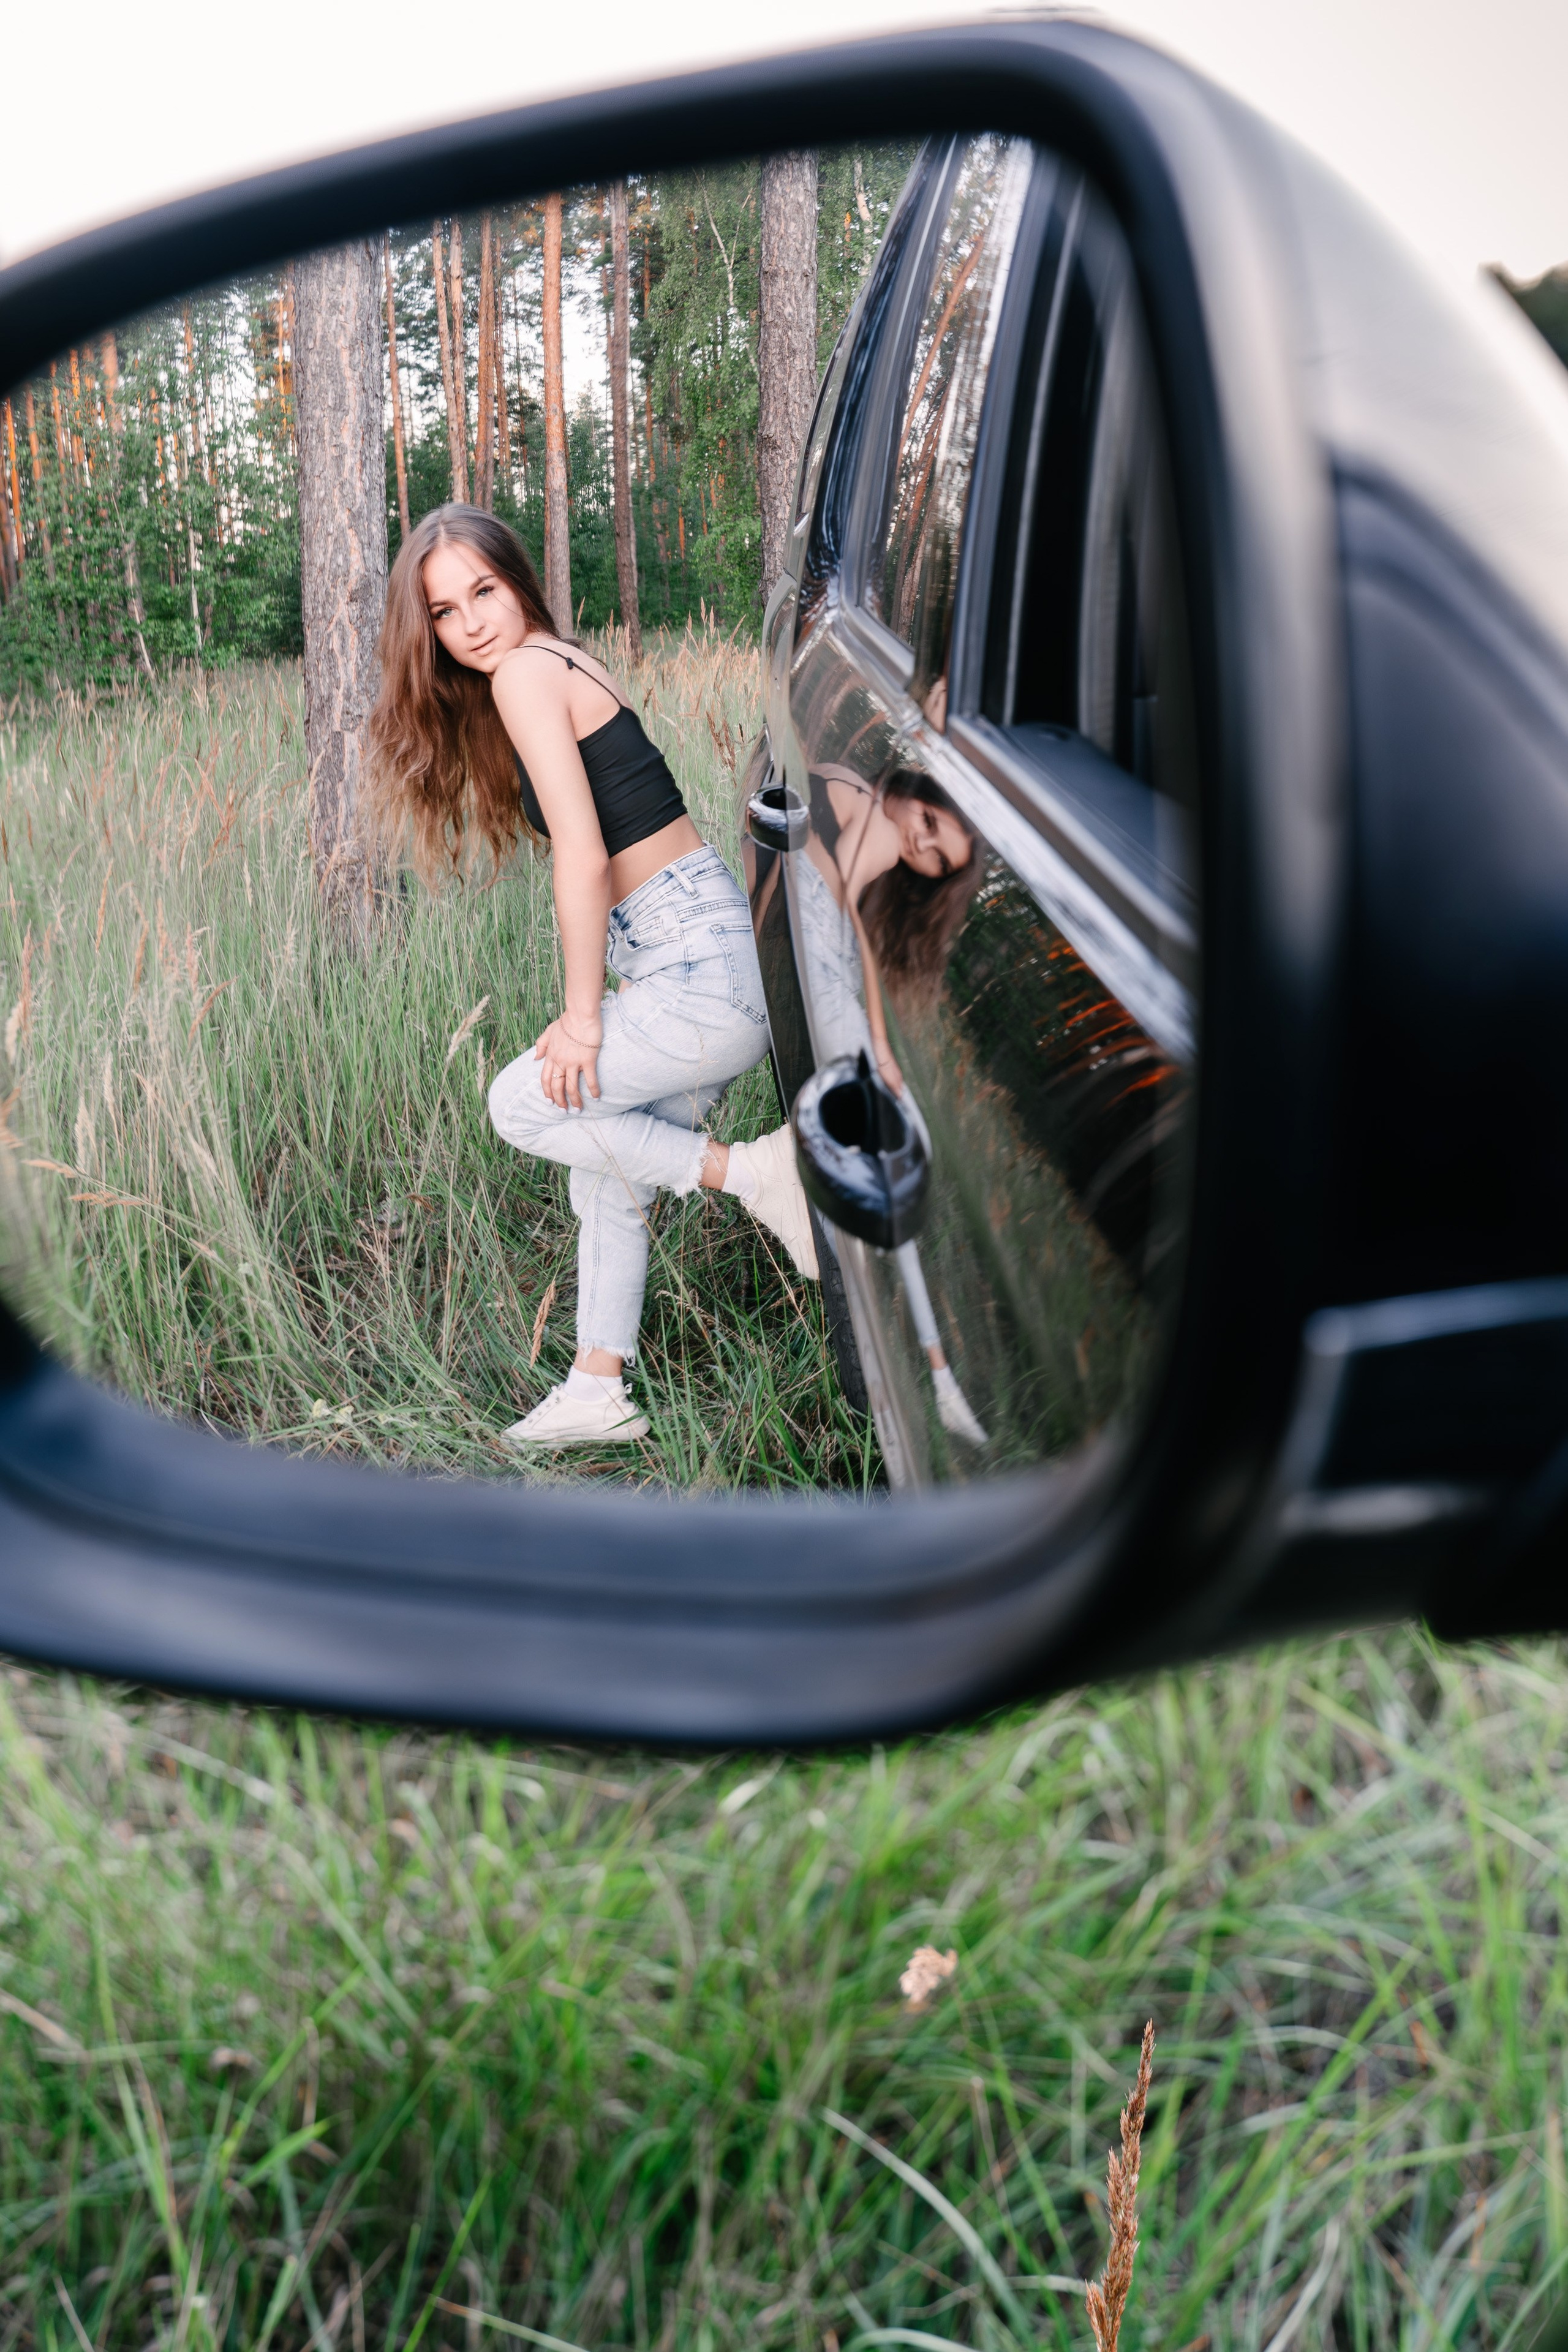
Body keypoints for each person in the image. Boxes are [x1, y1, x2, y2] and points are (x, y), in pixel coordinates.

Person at [367, 504, 817, 1449]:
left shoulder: (529, 674)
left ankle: (751, 1172)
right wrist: (617, 992)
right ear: (431, 633)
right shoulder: (559, 661)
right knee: (609, 1173)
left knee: (521, 1105)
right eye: (445, 612)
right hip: (698, 952)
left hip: (695, 961)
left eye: (483, 591)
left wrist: (582, 1019)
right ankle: (595, 1389)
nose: (472, 622)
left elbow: (580, 853)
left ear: (517, 581)